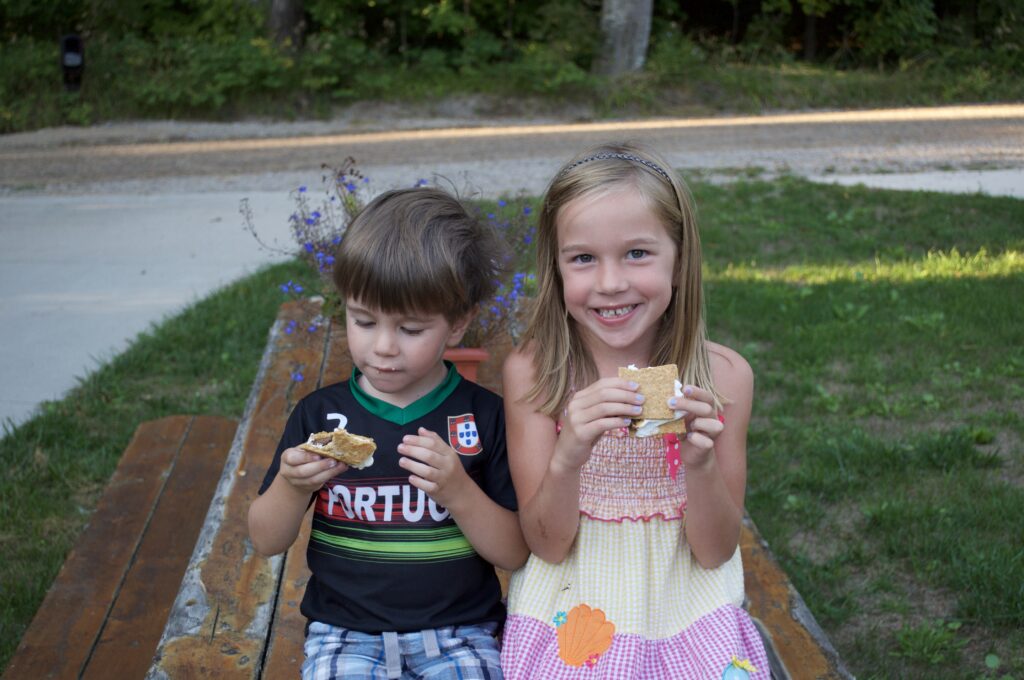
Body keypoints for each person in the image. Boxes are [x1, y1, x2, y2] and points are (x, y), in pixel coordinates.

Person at [499, 143, 770, 679]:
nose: (610, 283)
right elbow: (547, 545)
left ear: (679, 260)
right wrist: (567, 456)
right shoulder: (536, 375)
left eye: (637, 254)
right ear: (555, 268)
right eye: (583, 258)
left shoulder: (722, 379)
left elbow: (715, 551)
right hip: (575, 603)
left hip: (687, 604)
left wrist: (701, 464)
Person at [249, 187, 529, 680]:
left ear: (458, 323)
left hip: (460, 631)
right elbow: (266, 539)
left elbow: (513, 551)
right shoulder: (321, 414)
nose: (383, 347)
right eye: (363, 320)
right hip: (345, 632)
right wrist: (294, 486)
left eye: (411, 329)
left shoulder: (482, 416)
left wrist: (458, 491)